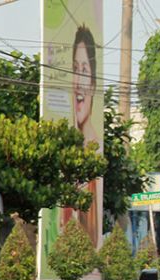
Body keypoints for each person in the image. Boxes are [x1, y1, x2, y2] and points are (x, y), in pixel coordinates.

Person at [63, 24, 100, 247]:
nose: (77, 81)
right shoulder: (66, 149)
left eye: (84, 71)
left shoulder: (95, 155)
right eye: (74, 69)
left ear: (94, 84)